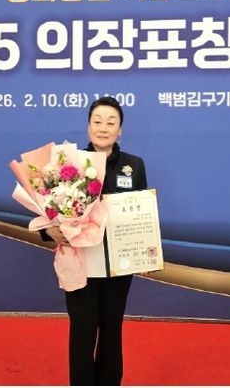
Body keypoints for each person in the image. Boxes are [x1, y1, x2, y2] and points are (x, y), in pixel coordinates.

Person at [42, 96, 147, 386]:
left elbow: (143, 213)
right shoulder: (68, 164)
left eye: (111, 122)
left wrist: (145, 251)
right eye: (97, 121)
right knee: (82, 330)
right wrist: (48, 231)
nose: (103, 128)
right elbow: (49, 210)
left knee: (112, 328)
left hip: (118, 263)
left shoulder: (133, 165)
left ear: (120, 130)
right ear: (88, 126)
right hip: (81, 261)